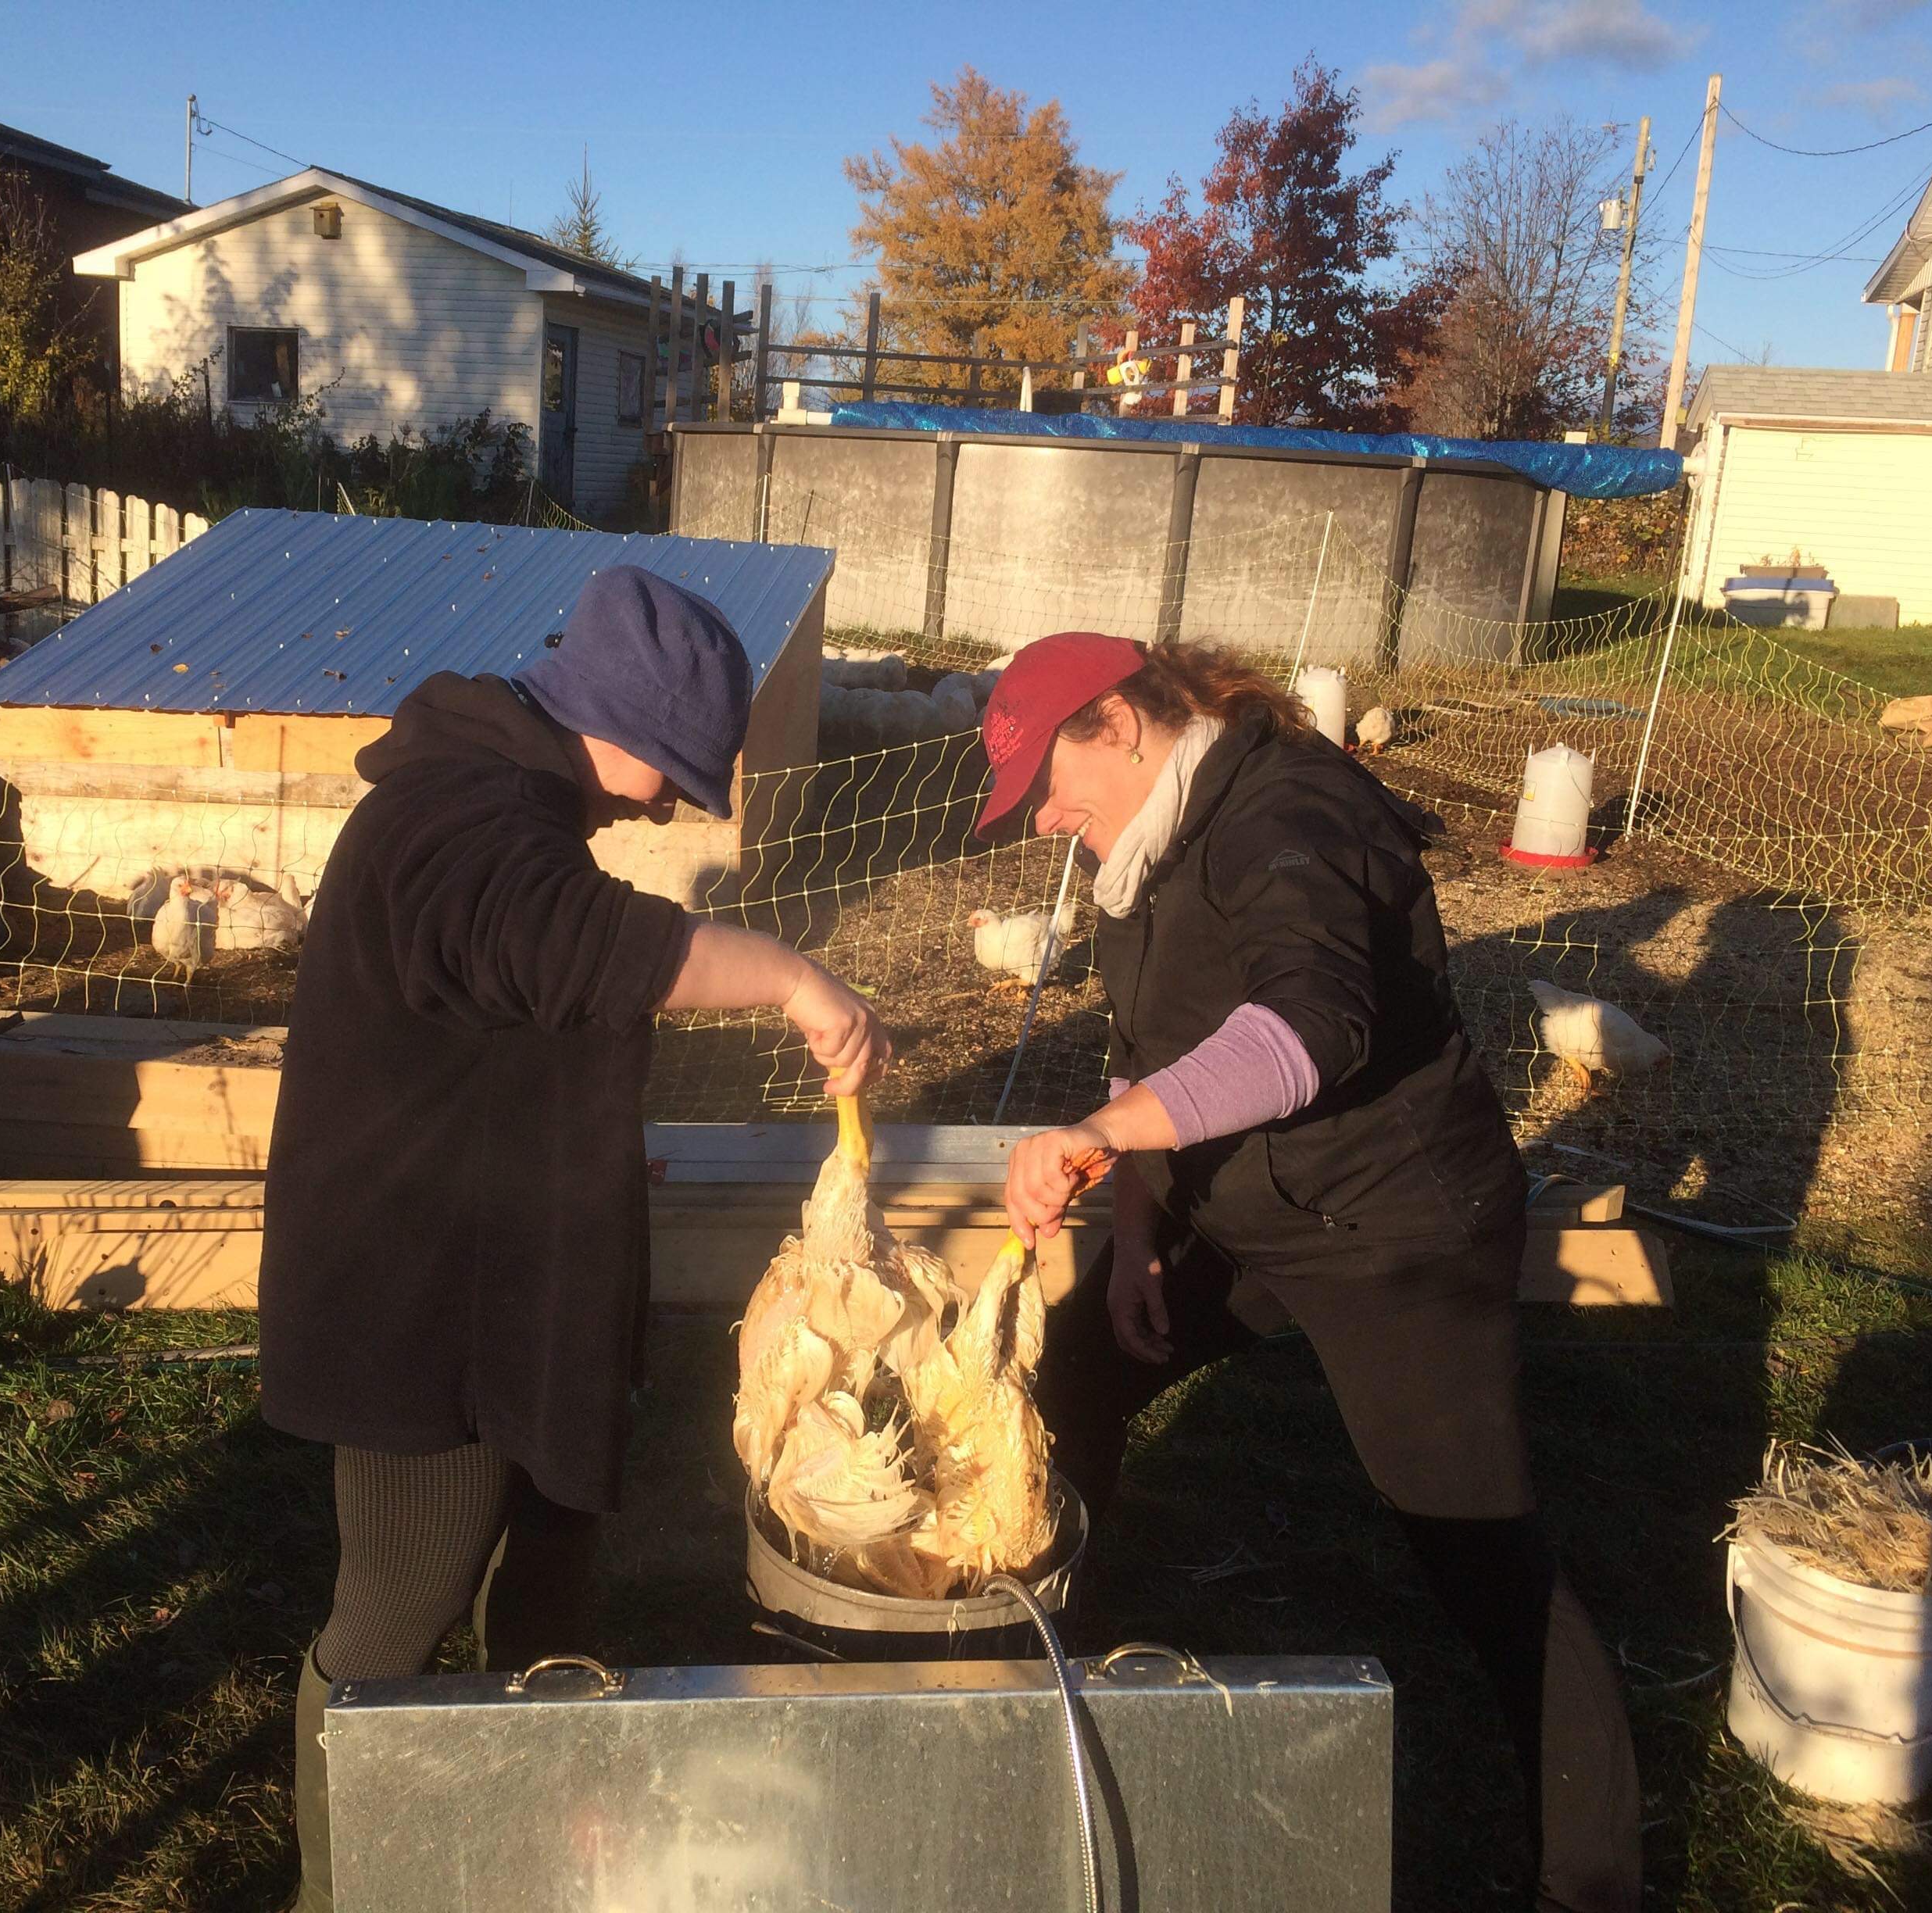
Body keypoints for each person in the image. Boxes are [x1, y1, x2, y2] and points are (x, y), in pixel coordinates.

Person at [256, 566, 889, 1913]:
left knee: (543, 1571)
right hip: (422, 1300)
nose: (665, 804)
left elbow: (517, 1001)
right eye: (671, 771)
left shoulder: (496, 800)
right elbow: (571, 942)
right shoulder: (453, 816)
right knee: (396, 1609)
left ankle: (513, 1844)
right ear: (618, 724)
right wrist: (791, 977)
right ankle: (336, 1887)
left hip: (499, 1274)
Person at [982, 633, 1640, 1913]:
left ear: (1120, 722)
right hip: (1250, 1216)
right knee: (1077, 1376)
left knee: (1479, 1549)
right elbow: (1146, 1047)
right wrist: (1136, 1242)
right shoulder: (1152, 844)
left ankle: (1592, 1882)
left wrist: (1106, 1137)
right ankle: (1035, 1688)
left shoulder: (1291, 811)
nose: (1047, 821)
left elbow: (1305, 1028)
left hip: (1393, 1230)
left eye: (1051, 785)